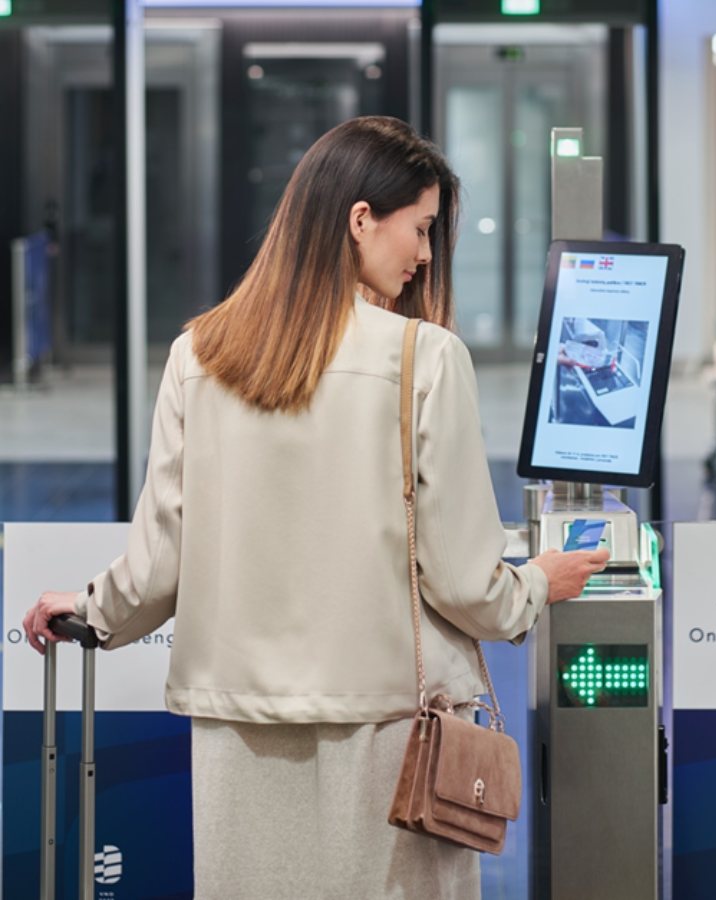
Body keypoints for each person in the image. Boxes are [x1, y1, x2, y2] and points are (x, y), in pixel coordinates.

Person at [23, 116, 609, 899]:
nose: (428, 254)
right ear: (360, 218)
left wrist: (92, 610)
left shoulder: (199, 354)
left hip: (238, 734)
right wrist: (537, 581)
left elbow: (161, 560)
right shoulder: (423, 357)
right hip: (393, 735)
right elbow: (467, 583)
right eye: (422, 227)